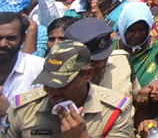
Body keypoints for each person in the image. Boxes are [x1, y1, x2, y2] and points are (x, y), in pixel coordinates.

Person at [2, 41, 132, 138]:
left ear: (88, 74)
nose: (52, 91)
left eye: (61, 84)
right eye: (47, 83)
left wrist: (81, 136)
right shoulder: (23, 108)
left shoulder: (114, 111)